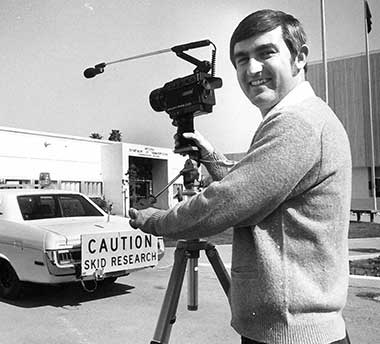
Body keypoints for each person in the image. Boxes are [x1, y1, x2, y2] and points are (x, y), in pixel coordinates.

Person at [129, 9, 352, 344]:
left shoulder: (296, 123)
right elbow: (258, 188)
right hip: (290, 329)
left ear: (300, 57)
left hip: (293, 335)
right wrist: (209, 156)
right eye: (241, 59)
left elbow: (227, 202)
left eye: (266, 53)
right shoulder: (301, 118)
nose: (252, 69)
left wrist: (156, 220)